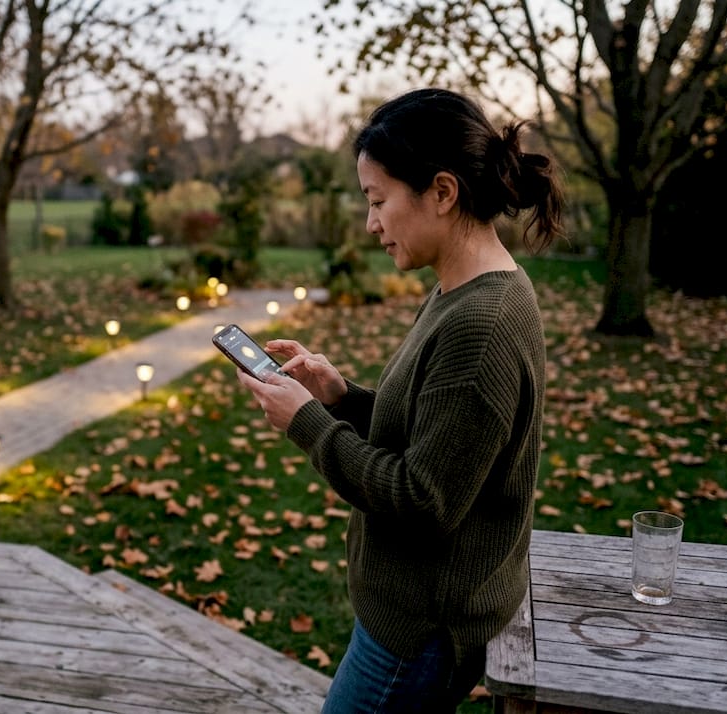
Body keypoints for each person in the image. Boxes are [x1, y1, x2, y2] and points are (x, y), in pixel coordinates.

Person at [235, 87, 566, 712]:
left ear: (442, 192)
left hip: (420, 631)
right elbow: (439, 431)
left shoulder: (481, 322)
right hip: (418, 616)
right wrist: (339, 397)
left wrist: (307, 425)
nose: (371, 223)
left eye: (378, 200)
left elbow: (423, 499)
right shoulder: (463, 289)